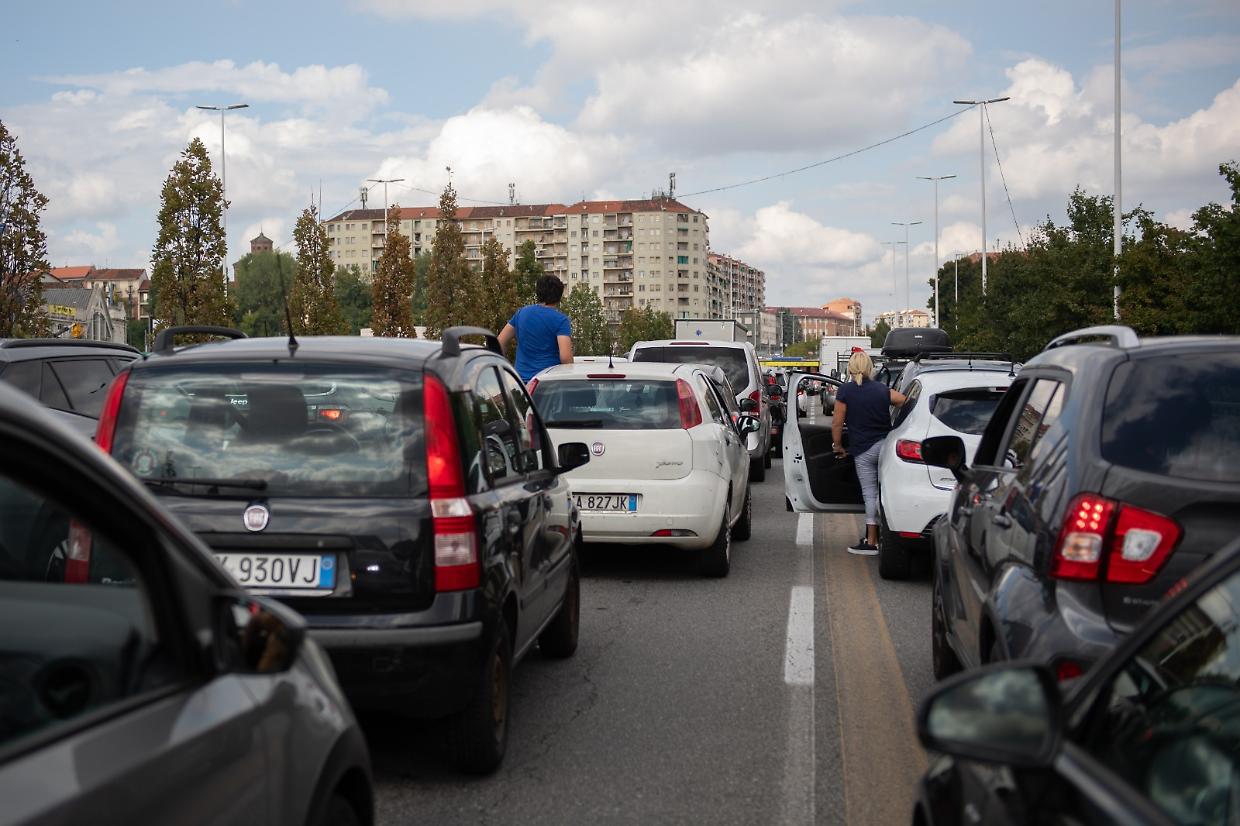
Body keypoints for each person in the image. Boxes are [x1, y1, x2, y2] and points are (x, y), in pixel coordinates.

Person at [832, 349, 906, 555]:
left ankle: (871, 541)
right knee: (885, 491)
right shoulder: (882, 389)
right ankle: (887, 535)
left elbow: (837, 422)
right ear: (869, 368)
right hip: (885, 446)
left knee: (870, 493)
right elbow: (904, 400)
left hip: (863, 450)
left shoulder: (845, 391)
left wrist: (838, 446)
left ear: (851, 368)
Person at [498, 275, 573, 383]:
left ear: (538, 292)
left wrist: (506, 369)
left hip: (521, 383)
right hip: (547, 383)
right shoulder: (561, 320)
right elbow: (565, 358)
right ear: (559, 296)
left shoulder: (521, 313)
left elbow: (500, 341)